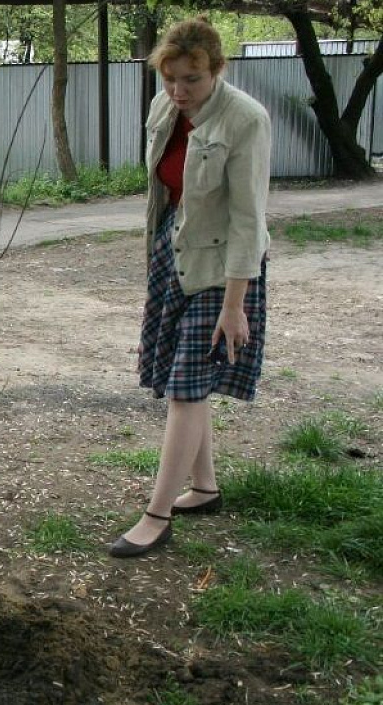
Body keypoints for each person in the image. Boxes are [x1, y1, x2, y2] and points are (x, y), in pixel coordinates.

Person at [109, 17, 271, 558]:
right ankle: (204, 487)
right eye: (170, 77)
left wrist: (235, 304)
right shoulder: (165, 109)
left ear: (217, 70)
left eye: (192, 79)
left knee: (186, 385)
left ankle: (157, 516)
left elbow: (250, 219)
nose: (179, 90)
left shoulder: (246, 119)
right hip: (171, 251)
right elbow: (164, 192)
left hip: (222, 268)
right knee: (184, 378)